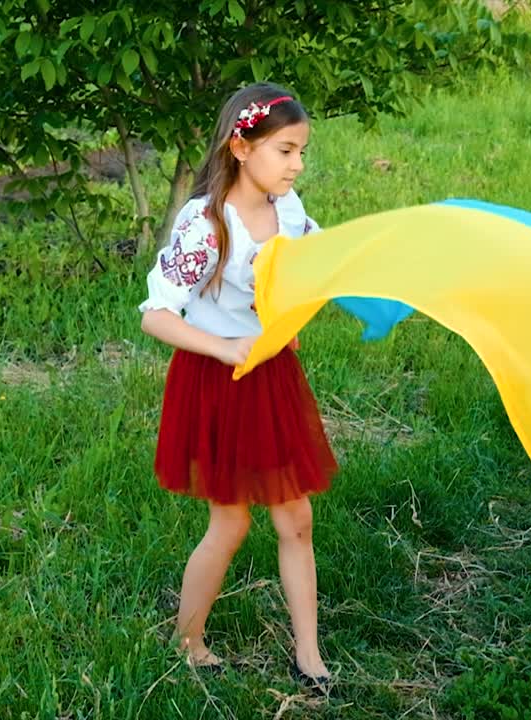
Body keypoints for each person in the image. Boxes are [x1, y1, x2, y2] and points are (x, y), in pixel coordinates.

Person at [138, 81, 335, 694]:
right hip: (219, 379)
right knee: (230, 523)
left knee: (295, 517)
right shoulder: (208, 226)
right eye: (285, 150)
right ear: (241, 147)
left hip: (270, 375)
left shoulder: (292, 210)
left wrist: (294, 317)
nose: (297, 164)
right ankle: (189, 640)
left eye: (302, 151)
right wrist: (225, 346)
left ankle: (309, 653)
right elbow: (155, 314)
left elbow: (313, 267)